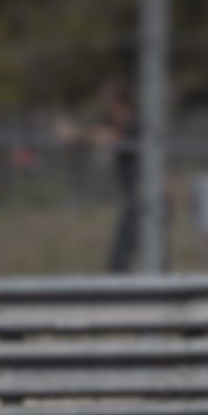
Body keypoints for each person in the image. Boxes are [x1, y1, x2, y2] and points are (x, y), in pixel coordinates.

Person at [52, 79, 143, 273]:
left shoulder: (133, 124)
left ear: (118, 103)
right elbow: (101, 133)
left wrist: (75, 133)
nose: (104, 108)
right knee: (125, 259)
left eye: (106, 102)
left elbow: (110, 136)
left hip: (145, 199)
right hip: (135, 199)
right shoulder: (118, 124)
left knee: (121, 260)